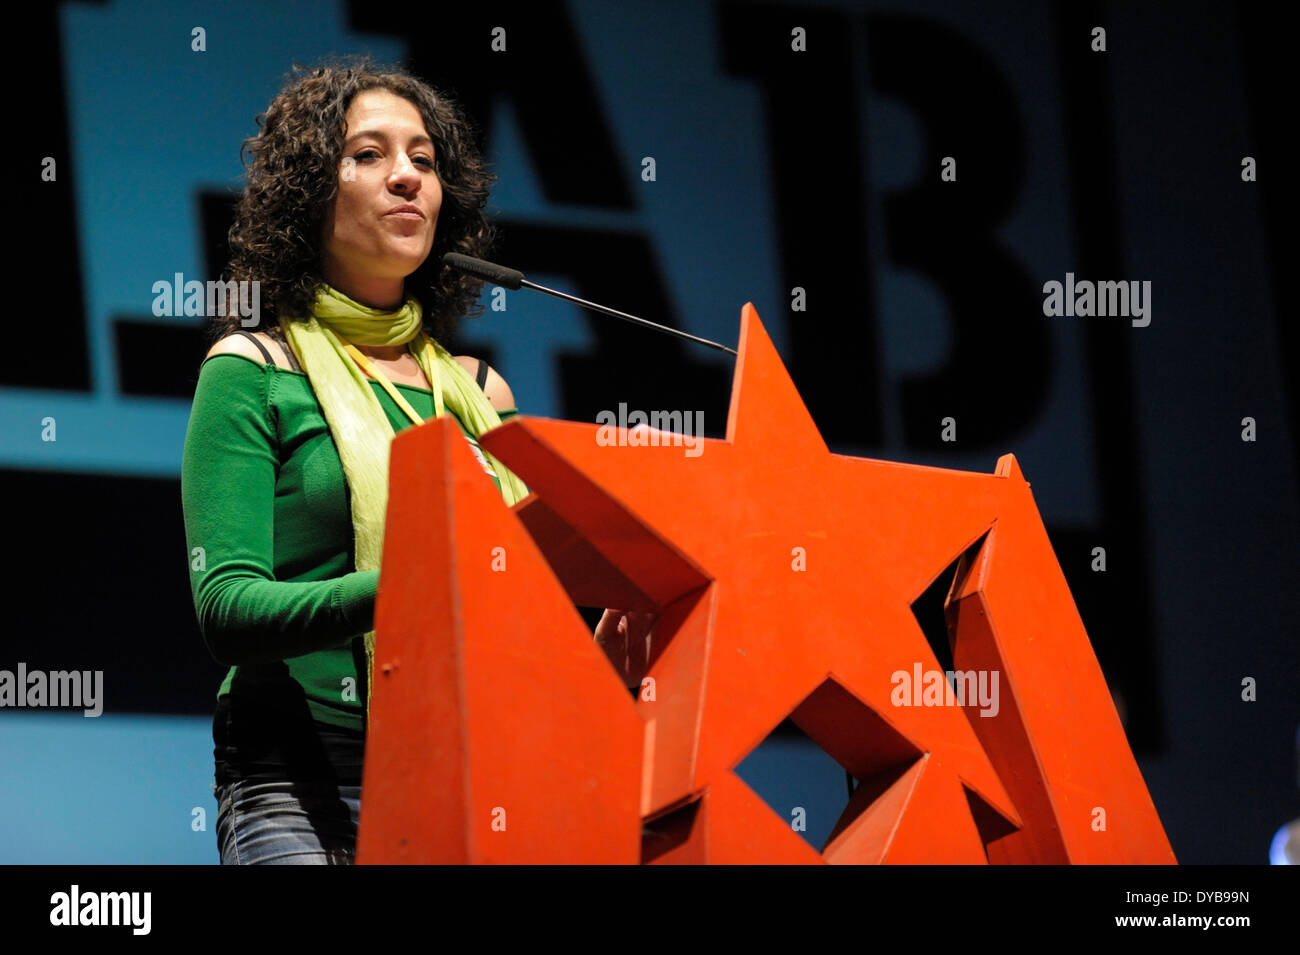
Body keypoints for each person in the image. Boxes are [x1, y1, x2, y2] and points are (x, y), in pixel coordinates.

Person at [182, 59, 650, 865]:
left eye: (425, 161)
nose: (406, 178)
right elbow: (227, 609)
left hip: (471, 766)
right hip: (298, 776)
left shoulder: (479, 391)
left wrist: (599, 640)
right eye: (368, 155)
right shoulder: (251, 369)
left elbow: (513, 594)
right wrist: (417, 576)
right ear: (307, 193)